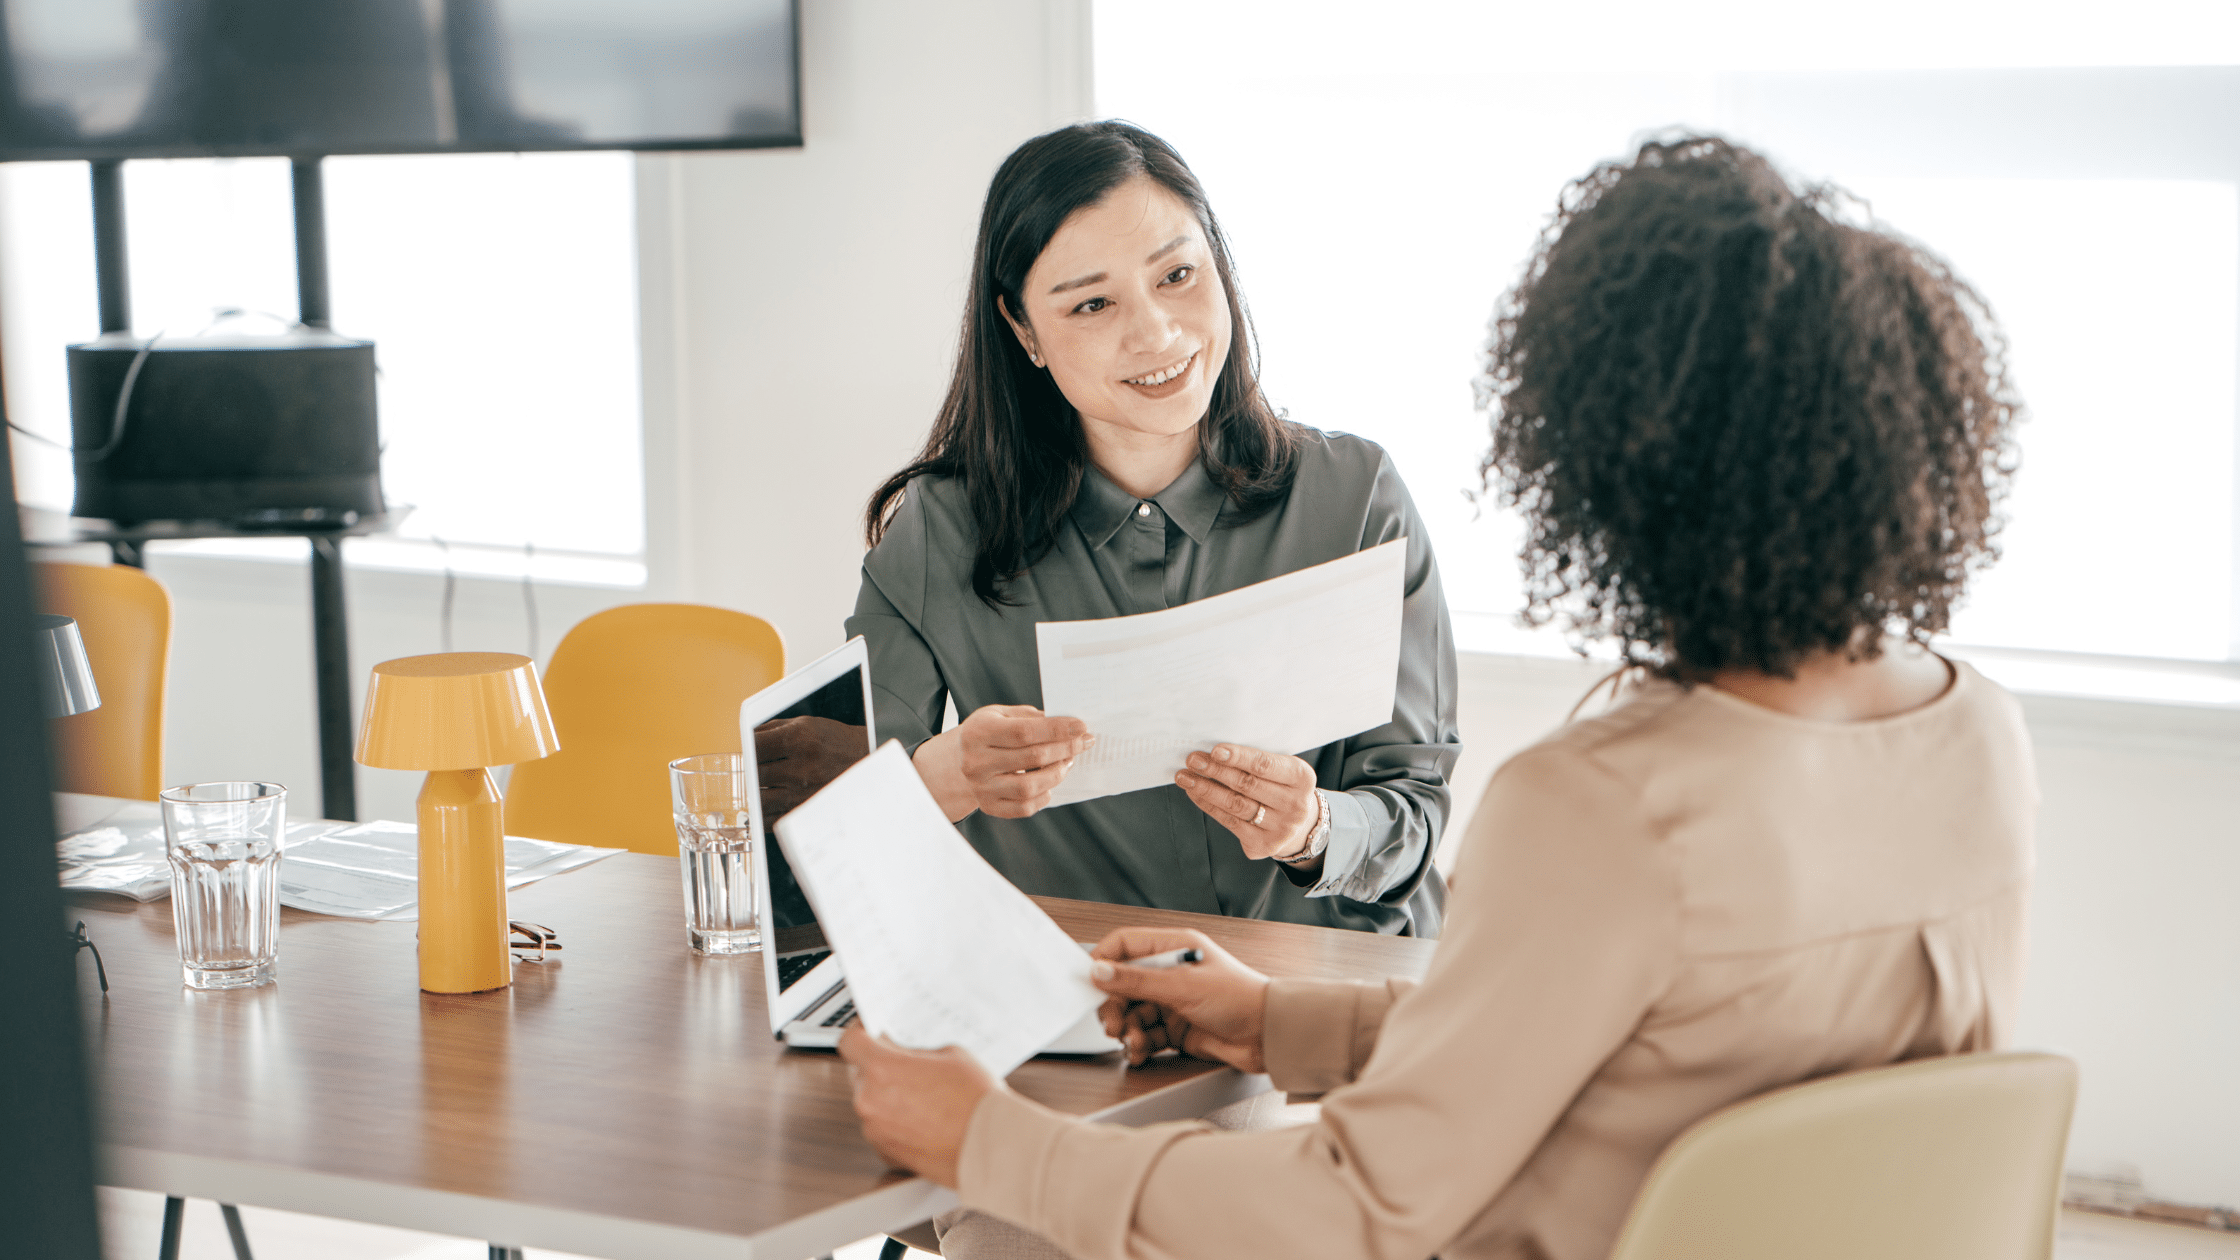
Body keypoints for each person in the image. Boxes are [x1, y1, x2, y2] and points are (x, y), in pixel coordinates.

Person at [835, 135, 2036, 1260]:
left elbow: (1355, 1211)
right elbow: (1635, 1056)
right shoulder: (1979, 732)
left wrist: (987, 1144)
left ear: (1594, 467)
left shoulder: (1598, 803)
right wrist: (1273, 1022)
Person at [764, 121, 1461, 938]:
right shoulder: (939, 533)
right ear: (1023, 330)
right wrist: (943, 775)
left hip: (1324, 1000)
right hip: (1083, 1011)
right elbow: (816, 857)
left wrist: (1312, 830)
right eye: (1093, 303)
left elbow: (1412, 808)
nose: (1157, 333)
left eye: (1177, 274)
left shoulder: (1356, 498)